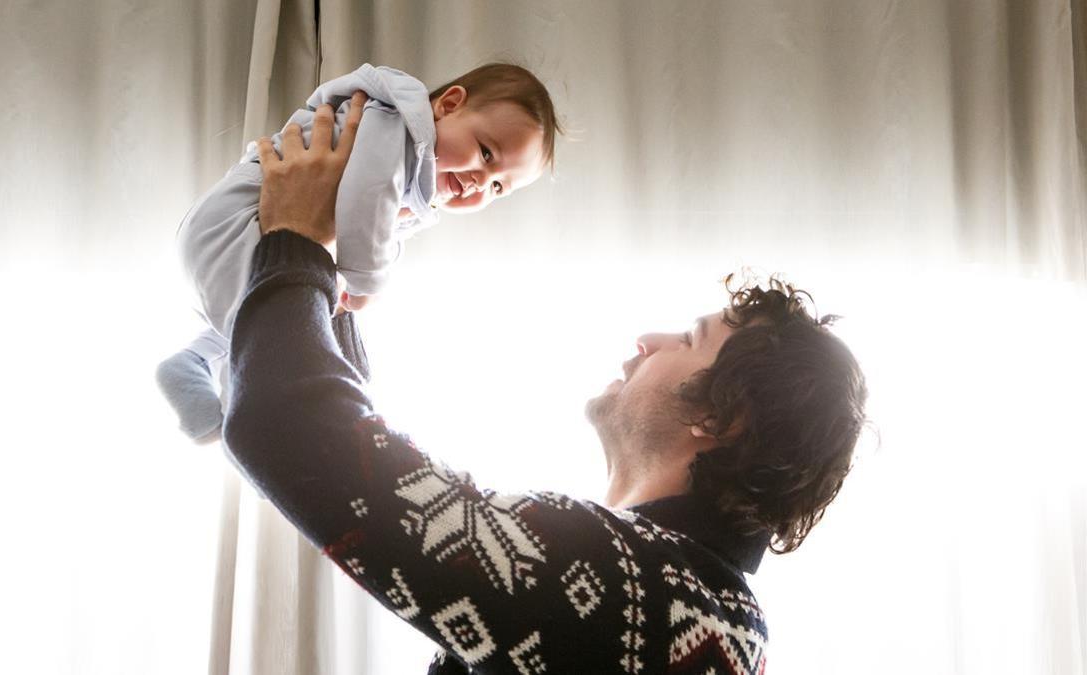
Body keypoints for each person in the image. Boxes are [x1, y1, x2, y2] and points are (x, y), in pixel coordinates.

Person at [223, 96, 868, 674]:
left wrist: (297, 240)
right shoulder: (722, 621)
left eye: (692, 340)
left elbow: (288, 424)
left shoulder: (616, 579)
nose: (650, 340)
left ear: (727, 418)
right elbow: (373, 470)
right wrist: (337, 293)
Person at [156, 63, 562, 443]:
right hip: (237, 222)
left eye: (497, 187)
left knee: (263, 317)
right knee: (273, 337)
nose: (480, 181)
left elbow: (375, 227)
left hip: (245, 236)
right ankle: (239, 406)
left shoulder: (413, 179)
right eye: (487, 154)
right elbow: (365, 202)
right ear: (449, 105)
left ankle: (195, 362)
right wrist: (367, 281)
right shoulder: (392, 126)